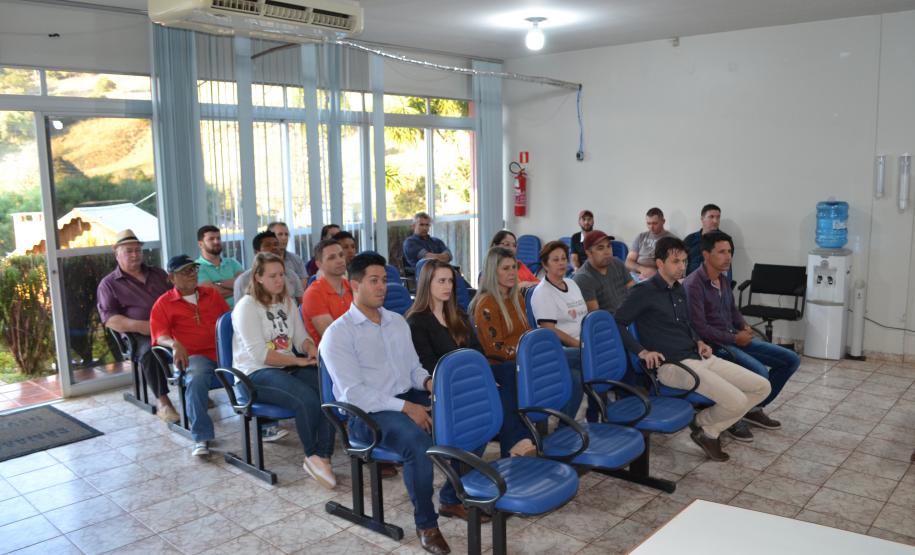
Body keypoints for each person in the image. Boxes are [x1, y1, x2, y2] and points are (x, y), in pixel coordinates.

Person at [321, 252, 452, 554]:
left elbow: (413, 369)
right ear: (354, 285)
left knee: (463, 412)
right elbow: (353, 394)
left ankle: (452, 498)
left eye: (384, 280)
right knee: (417, 443)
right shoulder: (338, 335)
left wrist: (430, 383)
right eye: (374, 281)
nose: (382, 287)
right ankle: (427, 525)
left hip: (405, 397)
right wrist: (408, 409)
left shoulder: (396, 322)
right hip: (367, 415)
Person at [614, 237, 771, 462]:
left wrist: (698, 341)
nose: (682, 267)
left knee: (761, 387)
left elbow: (687, 324)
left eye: (685, 261)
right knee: (736, 401)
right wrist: (641, 351)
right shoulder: (643, 291)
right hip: (672, 366)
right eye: (675, 261)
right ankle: (706, 428)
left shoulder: (679, 289)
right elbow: (617, 322)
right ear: (659, 263)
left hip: (697, 355)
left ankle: (706, 429)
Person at [406, 260, 535, 458]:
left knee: (509, 371)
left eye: (450, 281)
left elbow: (476, 349)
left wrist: (484, 377)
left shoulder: (456, 312)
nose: (448, 286)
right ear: (427, 284)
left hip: (472, 374)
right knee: (499, 396)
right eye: (441, 281)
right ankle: (515, 444)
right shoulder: (416, 320)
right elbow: (428, 364)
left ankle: (515, 442)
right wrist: (480, 381)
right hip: (446, 381)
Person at [232, 252, 336, 488]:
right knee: (307, 399)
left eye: (281, 274)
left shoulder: (288, 302)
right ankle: (312, 455)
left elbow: (300, 338)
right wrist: (299, 362)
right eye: (273, 276)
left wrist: (310, 348)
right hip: (254, 374)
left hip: (285, 367)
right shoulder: (246, 306)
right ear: (258, 278)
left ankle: (324, 455)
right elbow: (260, 355)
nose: (280, 280)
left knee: (328, 389)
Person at [683, 231, 799, 441]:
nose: (728, 257)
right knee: (760, 374)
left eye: (729, 252)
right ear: (706, 255)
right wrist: (736, 339)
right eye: (721, 252)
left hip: (733, 338)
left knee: (790, 360)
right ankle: (732, 418)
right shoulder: (693, 285)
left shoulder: (724, 279)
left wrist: (743, 325)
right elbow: (699, 327)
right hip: (714, 346)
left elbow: (732, 310)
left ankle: (752, 410)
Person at [150, 255, 229, 456]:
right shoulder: (164, 303)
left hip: (224, 352)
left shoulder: (211, 294)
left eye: (194, 269)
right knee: (196, 376)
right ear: (171, 277)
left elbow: (229, 322)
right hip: (195, 357)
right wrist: (174, 343)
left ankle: (264, 424)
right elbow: (159, 336)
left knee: (255, 366)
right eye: (186, 271)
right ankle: (201, 437)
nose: (192, 274)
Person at [97, 229, 178, 423]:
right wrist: (143, 326)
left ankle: (197, 387)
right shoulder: (109, 284)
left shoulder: (158, 274)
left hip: (170, 326)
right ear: (117, 255)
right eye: (129, 251)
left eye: (137, 250)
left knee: (198, 338)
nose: (135, 255)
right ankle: (164, 402)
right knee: (151, 352)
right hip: (139, 334)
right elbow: (110, 320)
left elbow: (176, 296)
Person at [530, 241, 587, 421]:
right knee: (589, 359)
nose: (562, 263)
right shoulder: (542, 292)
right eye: (555, 260)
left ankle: (574, 421)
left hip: (581, 344)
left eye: (564, 258)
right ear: (545, 265)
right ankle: (567, 425)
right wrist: (580, 345)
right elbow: (549, 330)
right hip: (558, 349)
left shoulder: (572, 283)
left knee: (577, 375)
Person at [470, 247, 529, 365]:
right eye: (505, 268)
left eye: (514, 267)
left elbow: (526, 333)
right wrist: (527, 351)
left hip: (524, 358)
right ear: (493, 272)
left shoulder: (517, 297)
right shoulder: (486, 304)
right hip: (504, 367)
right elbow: (496, 349)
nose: (512, 272)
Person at [301, 239, 352, 345]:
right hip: (331, 355)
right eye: (332, 257)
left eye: (341, 255)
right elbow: (333, 337)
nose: (340, 260)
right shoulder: (313, 294)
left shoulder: (351, 286)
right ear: (319, 264)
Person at [573, 230, 635, 313]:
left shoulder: (617, 263)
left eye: (609, 246)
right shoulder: (583, 278)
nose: (607, 252)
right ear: (589, 253)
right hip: (611, 322)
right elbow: (598, 317)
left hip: (631, 314)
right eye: (600, 248)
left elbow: (634, 291)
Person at [234, 231, 304, 302]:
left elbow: (301, 304)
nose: (274, 248)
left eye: (276, 244)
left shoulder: (291, 274)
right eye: (268, 245)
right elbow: (241, 310)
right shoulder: (243, 280)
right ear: (256, 252)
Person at [195, 225, 243, 308]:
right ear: (200, 244)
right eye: (211, 239)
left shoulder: (232, 262)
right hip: (217, 317)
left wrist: (218, 283)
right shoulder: (196, 267)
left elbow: (246, 284)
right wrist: (238, 288)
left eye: (218, 238)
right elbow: (211, 294)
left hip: (241, 311)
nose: (216, 242)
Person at [626, 207, 677, 280]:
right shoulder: (641, 236)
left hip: (658, 277)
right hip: (637, 274)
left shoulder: (672, 240)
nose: (651, 227)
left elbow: (674, 265)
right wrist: (642, 269)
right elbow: (628, 262)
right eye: (648, 223)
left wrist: (655, 273)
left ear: (663, 221)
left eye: (655, 223)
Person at [267, 221, 308, 292]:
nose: (284, 238)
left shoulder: (296, 259)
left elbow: (302, 286)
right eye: (280, 234)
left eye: (286, 234)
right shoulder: (263, 261)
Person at [684, 204, 723, 276]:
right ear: (702, 219)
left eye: (718, 217)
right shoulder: (690, 239)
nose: (715, 221)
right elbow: (680, 262)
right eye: (711, 217)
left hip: (713, 282)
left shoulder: (725, 240)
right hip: (690, 282)